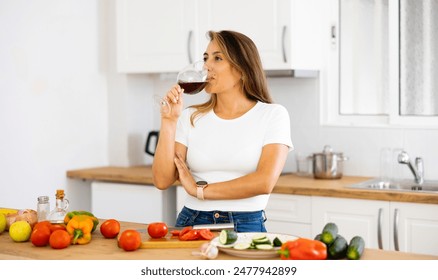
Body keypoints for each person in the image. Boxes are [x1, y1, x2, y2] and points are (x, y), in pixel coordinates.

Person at [152, 30, 293, 232]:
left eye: (218, 58)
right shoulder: (190, 116)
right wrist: (168, 121)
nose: (206, 66)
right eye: (205, 58)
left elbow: (264, 182)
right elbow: (162, 180)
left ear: (242, 69)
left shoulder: (273, 115)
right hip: (192, 222)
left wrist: (199, 190)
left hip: (246, 225)